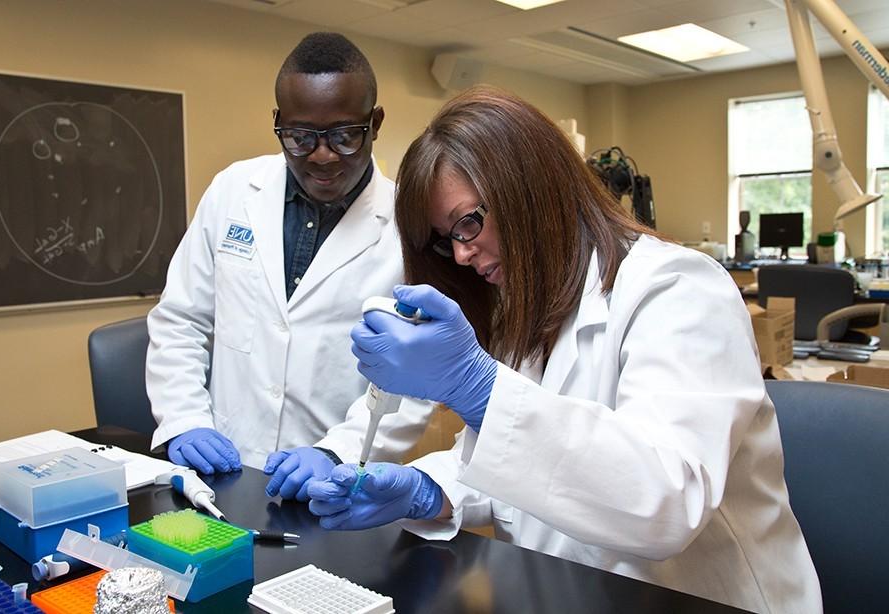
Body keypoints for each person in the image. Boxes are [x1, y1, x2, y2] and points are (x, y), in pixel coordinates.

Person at [307, 86, 821, 613]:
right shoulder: (529, 305)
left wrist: (478, 388)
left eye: (469, 222)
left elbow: (667, 503)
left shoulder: (678, 289)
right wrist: (425, 489)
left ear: (531, 188)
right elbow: (522, 468)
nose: (461, 254)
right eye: (445, 239)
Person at [146, 32, 429, 497]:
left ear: (375, 123)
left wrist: (336, 451)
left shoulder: (408, 229)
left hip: (337, 486)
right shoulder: (233, 190)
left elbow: (414, 380)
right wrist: (184, 421)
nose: (322, 156)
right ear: (278, 122)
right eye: (300, 136)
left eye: (343, 136)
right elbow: (181, 320)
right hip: (223, 473)